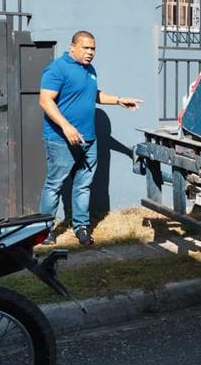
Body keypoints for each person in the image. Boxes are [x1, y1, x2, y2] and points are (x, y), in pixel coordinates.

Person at [38, 31, 142, 246]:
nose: (90, 52)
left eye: (93, 48)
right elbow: (45, 101)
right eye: (85, 48)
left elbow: (93, 94)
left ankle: (81, 227)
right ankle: (43, 231)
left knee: (83, 186)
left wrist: (119, 100)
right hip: (61, 139)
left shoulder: (89, 70)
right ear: (72, 47)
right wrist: (66, 126)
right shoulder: (57, 68)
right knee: (54, 185)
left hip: (88, 140)